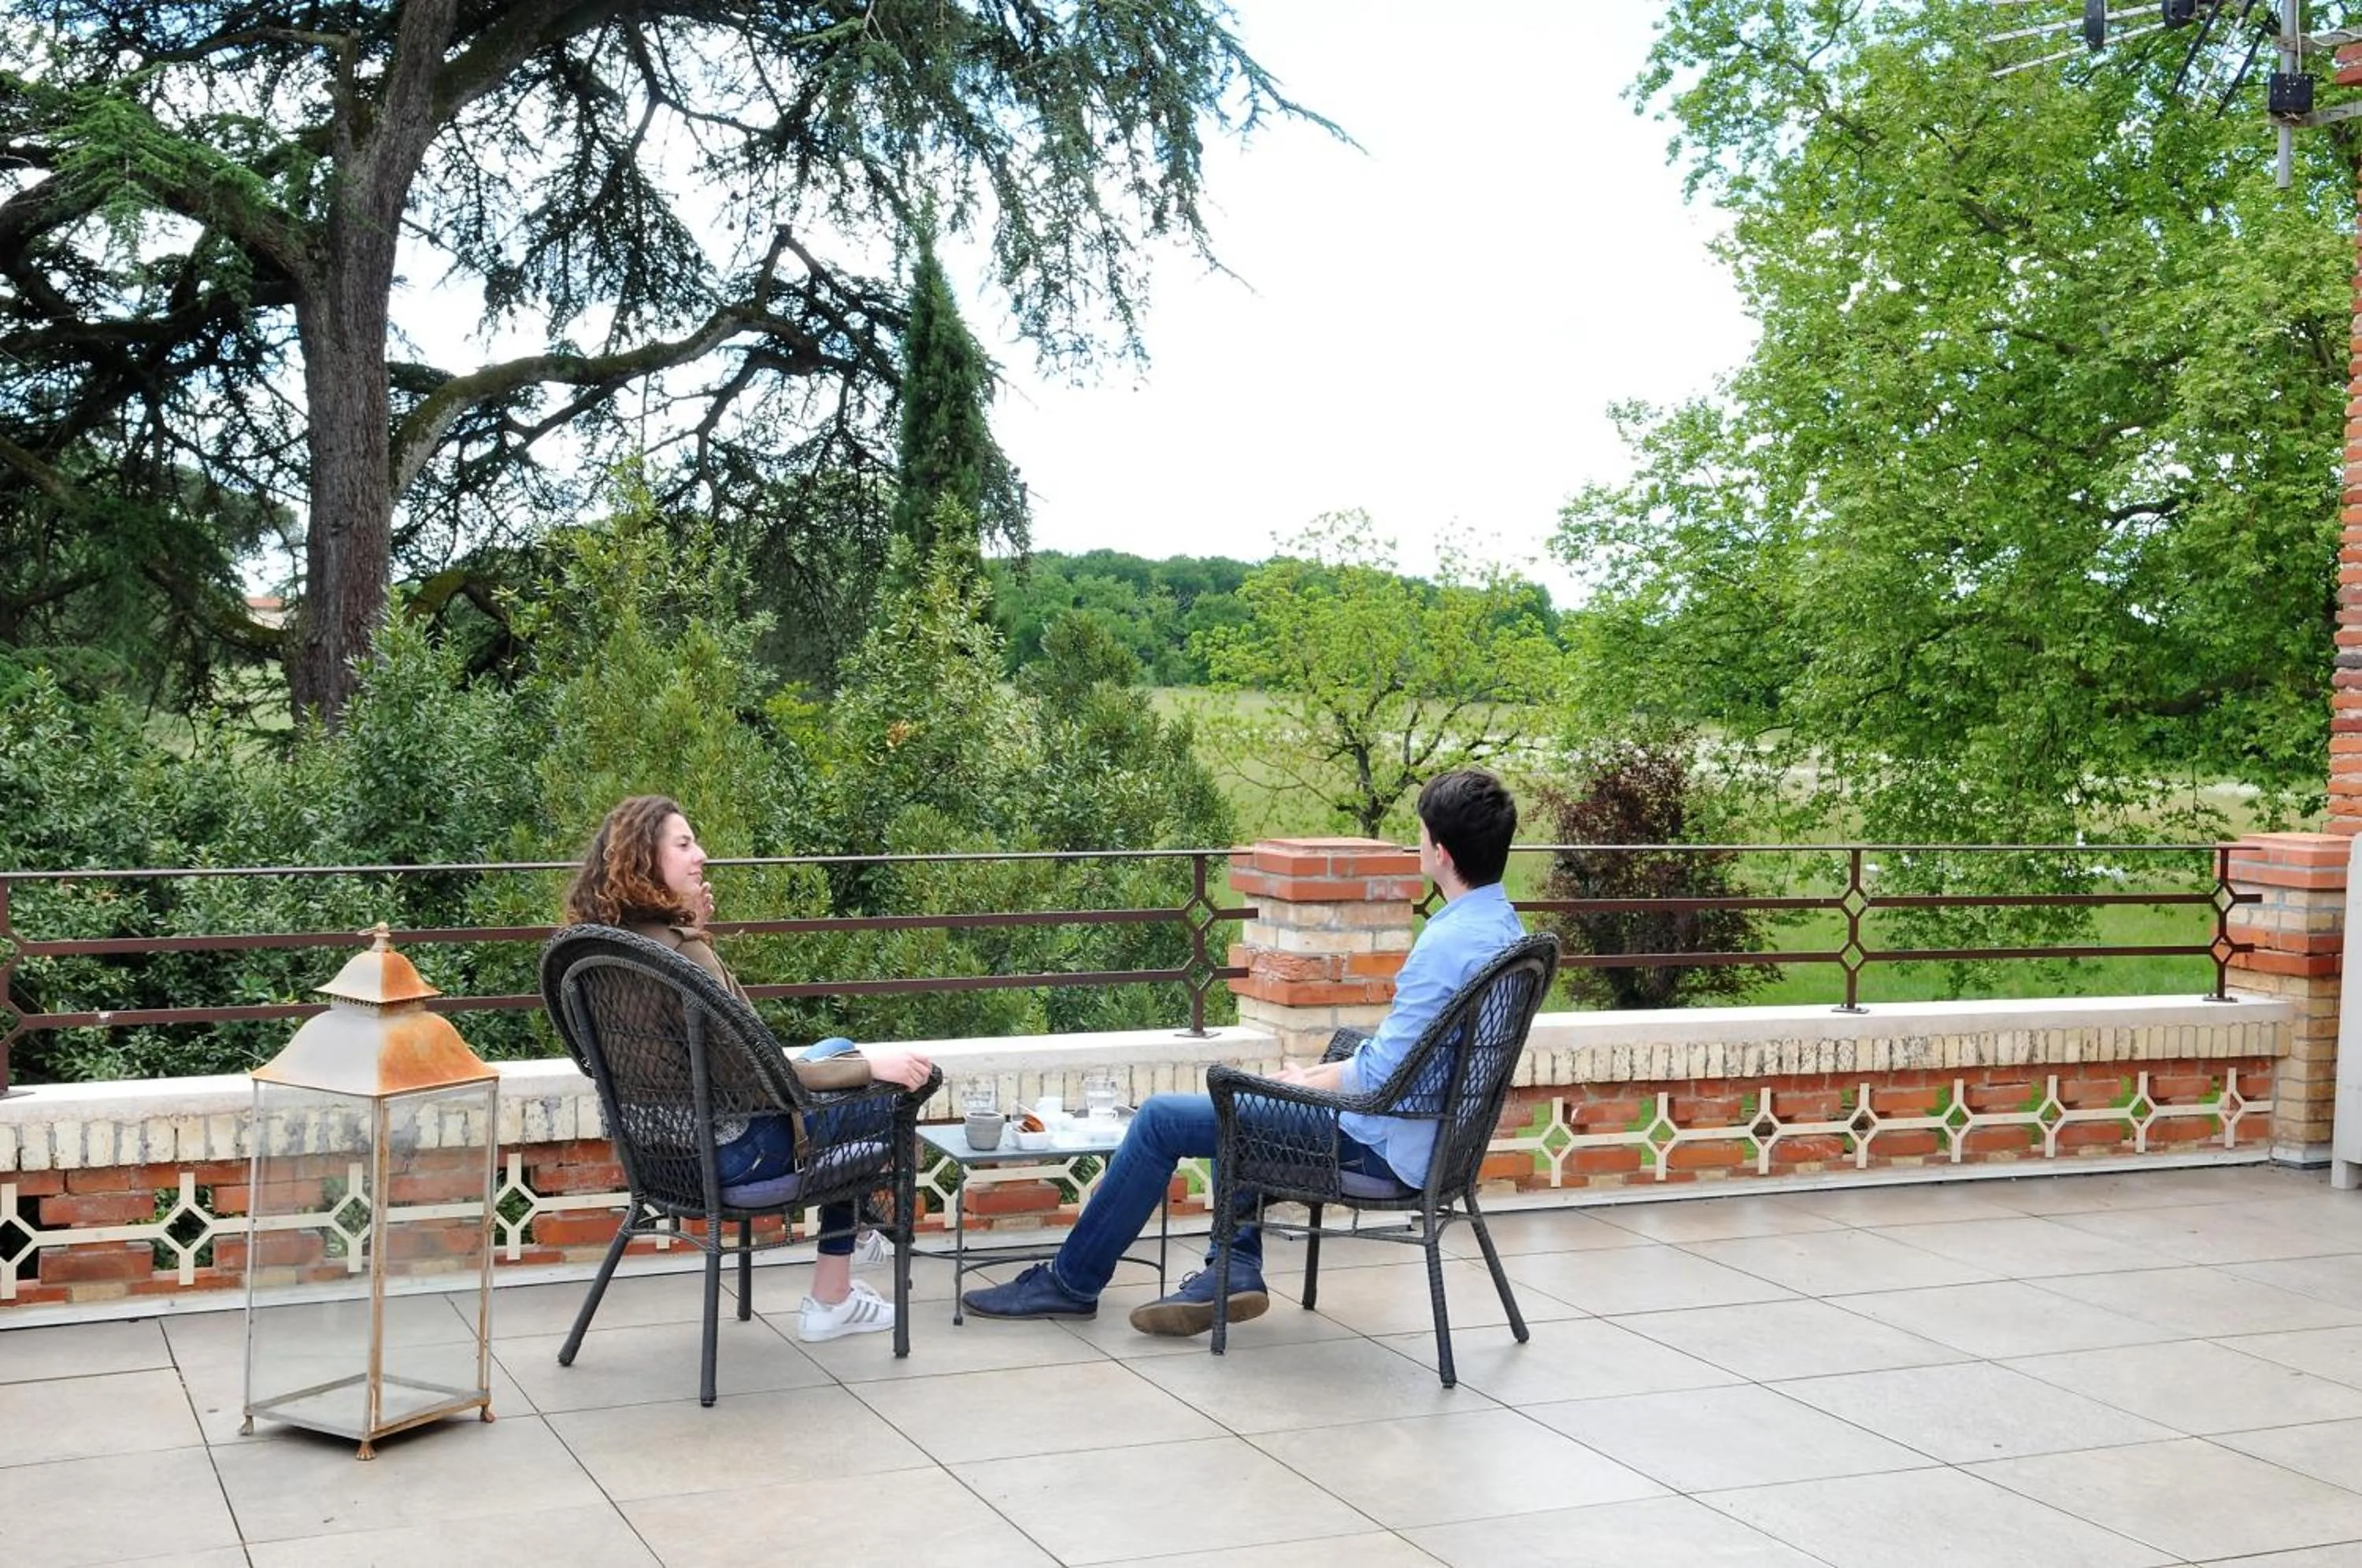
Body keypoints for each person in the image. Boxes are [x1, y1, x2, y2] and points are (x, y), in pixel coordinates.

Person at [962, 767, 1526, 1337]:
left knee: (1165, 1118)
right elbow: (1415, 1054)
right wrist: (1315, 1075)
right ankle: (1232, 1268)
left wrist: (1302, 1087)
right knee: (1247, 1103)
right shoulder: (1505, 930)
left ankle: (1071, 1281)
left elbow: (1382, 1074)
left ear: (1440, 850)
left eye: (1422, 835)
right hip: (1438, 1140)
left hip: (1382, 1150)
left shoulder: (1443, 947)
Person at [563, 794, 935, 1344]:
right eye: (685, 844)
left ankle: (856, 1235)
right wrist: (871, 1067)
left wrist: (692, 931)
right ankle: (835, 1288)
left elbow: (704, 1052)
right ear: (646, 858)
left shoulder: (597, 949)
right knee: (884, 1099)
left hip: (658, 1153)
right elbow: (757, 1076)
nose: (702, 855)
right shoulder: (682, 954)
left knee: (837, 1045)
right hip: (739, 1157)